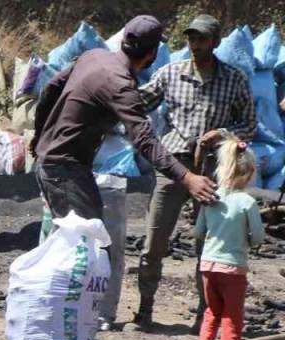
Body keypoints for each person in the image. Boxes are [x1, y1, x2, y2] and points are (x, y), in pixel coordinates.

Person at [132, 14, 257, 329]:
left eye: (202, 39)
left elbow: (250, 125)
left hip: (216, 169)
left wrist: (223, 133)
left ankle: (207, 315)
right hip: (174, 166)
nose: (195, 45)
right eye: (191, 39)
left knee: (210, 246)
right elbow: (137, 103)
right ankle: (144, 311)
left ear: (215, 42)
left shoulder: (234, 79)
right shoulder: (170, 73)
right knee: (154, 242)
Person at [31, 15, 217, 226]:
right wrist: (187, 178)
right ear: (153, 54)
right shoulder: (120, 85)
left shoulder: (93, 56)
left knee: (82, 243)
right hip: (64, 171)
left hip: (58, 164)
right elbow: (145, 140)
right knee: (88, 246)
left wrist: (39, 136)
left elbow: (50, 89)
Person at [193, 138, 265, 340]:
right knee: (232, 314)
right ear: (248, 173)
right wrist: (250, 243)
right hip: (233, 267)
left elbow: (198, 232)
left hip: (207, 265)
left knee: (212, 310)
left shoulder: (210, 198)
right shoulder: (247, 202)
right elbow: (258, 236)